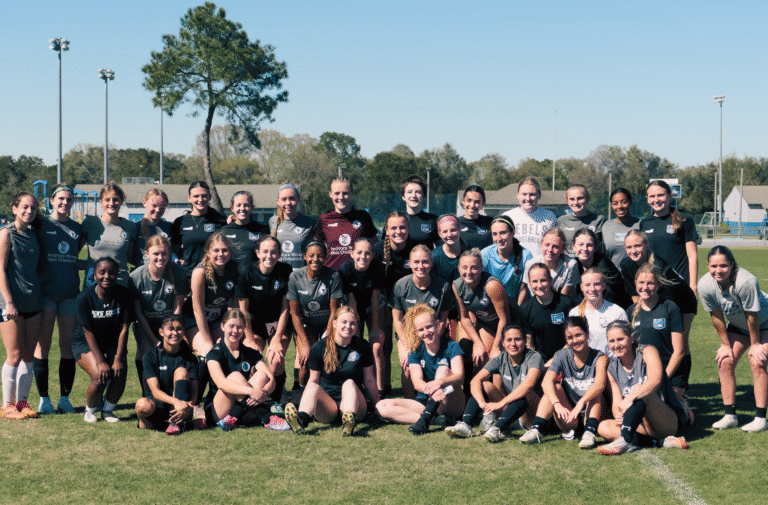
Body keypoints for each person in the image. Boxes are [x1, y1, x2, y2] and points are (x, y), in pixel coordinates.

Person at [698, 246, 768, 432]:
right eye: (714, 266)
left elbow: (752, 315)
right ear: (708, 266)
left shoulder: (746, 281)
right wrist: (724, 345)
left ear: (732, 265)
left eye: (723, 265)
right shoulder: (705, 284)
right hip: (738, 326)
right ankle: (730, 416)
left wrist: (755, 345)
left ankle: (761, 419)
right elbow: (716, 315)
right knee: (725, 361)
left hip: (764, 322)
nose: (718, 270)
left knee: (757, 361)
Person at [620, 230, 697, 391]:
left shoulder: (658, 265)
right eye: (629, 247)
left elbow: (667, 301)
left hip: (682, 301)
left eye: (638, 246)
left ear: (647, 246)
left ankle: (680, 386)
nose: (633, 250)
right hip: (654, 298)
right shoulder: (626, 264)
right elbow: (636, 295)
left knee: (679, 344)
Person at [597, 322, 689, 454]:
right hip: (639, 425)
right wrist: (620, 416)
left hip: (665, 420)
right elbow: (617, 404)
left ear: (632, 338)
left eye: (620, 339)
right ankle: (659, 442)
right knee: (603, 427)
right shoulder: (612, 369)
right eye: (611, 341)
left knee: (643, 390)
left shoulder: (647, 351)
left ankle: (625, 440)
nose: (616, 345)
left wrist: (630, 398)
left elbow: (655, 380)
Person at [284, 307, 379, 436]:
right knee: (312, 385)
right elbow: (314, 380)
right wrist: (307, 405)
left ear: (357, 325)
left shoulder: (362, 346)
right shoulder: (319, 347)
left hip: (356, 405)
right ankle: (301, 420)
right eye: (344, 322)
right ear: (334, 323)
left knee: (349, 383)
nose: (348, 326)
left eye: (352, 323)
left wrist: (377, 406)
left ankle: (349, 422)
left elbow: (369, 379)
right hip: (330, 407)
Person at [376, 304, 465, 434]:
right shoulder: (415, 350)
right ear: (416, 332)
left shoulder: (452, 346)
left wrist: (439, 383)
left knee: (443, 370)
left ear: (438, 324)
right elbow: (417, 383)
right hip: (427, 400)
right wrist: (432, 390)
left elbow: (460, 377)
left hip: (452, 400)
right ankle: (434, 420)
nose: (426, 332)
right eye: (421, 330)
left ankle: (427, 418)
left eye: (429, 327)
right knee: (381, 407)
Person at [445, 325, 543, 442]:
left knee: (524, 394)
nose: (513, 344)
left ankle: (497, 429)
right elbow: (475, 380)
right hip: (511, 412)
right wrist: (482, 404)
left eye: (517, 339)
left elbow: (529, 384)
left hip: (531, 413)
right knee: (484, 385)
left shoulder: (533, 357)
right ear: (503, 342)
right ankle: (465, 425)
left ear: (524, 341)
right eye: (509, 340)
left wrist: (500, 404)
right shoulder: (500, 359)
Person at [34, 183, 83, 415]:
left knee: (67, 347)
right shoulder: (41, 224)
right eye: (61, 199)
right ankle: (44, 399)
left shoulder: (77, 228)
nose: (65, 203)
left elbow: (77, 256)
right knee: (42, 347)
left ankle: (65, 398)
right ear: (51, 201)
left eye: (69, 199)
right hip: (45, 294)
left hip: (70, 293)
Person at [70, 257, 134, 423]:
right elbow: (88, 332)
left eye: (111, 273)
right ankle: (90, 411)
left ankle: (107, 411)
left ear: (117, 274)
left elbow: (124, 328)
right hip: (85, 341)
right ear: (95, 275)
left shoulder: (124, 295)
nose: (107, 276)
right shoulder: (84, 298)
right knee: (100, 375)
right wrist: (101, 361)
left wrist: (118, 359)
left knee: (119, 374)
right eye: (102, 272)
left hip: (112, 342)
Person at [204, 308, 289, 431]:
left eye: (239, 327)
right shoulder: (214, 353)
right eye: (231, 326)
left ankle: (232, 419)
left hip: (245, 411)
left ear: (244, 329)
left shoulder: (250, 353)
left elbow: (271, 379)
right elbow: (220, 383)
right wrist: (250, 391)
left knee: (262, 376)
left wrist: (263, 392)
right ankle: (268, 418)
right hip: (218, 411)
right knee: (235, 376)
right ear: (222, 327)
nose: (235, 331)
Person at [0, 192, 45, 420]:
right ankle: (6, 406)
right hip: (11, 304)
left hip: (34, 301)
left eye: (33, 209)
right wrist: (8, 301)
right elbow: (0, 270)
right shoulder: (6, 234)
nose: (29, 212)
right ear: (14, 208)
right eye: (25, 207)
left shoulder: (34, 235)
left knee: (28, 355)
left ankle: (22, 403)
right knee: (14, 354)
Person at [626, 263, 690, 420]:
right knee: (644, 415)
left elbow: (680, 351)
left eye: (650, 283)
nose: (645, 287)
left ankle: (685, 410)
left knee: (668, 419)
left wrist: (662, 378)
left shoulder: (670, 308)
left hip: (671, 373)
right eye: (641, 283)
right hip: (644, 375)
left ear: (659, 284)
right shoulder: (630, 312)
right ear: (635, 283)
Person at [390, 245, 454, 397]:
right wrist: (407, 346)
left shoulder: (443, 286)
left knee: (438, 365)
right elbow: (397, 320)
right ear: (410, 263)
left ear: (431, 263)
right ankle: (410, 400)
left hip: (433, 334)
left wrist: (432, 341)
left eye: (425, 262)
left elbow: (443, 320)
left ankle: (436, 400)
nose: (420, 266)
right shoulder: (401, 285)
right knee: (407, 366)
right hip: (408, 335)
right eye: (416, 262)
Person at [236, 235, 292, 405]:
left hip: (278, 324)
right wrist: (250, 339)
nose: (269, 256)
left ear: (280, 254)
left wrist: (276, 338)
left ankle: (276, 399)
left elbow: (285, 308)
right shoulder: (247, 272)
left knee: (276, 358)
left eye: (274, 252)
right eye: (265, 252)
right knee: (254, 359)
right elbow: (243, 310)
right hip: (255, 326)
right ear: (258, 253)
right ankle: (253, 397)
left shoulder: (285, 270)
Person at [130, 235, 187, 397]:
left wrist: (170, 333)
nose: (160, 257)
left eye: (164, 254)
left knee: (174, 350)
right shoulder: (136, 277)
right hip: (145, 323)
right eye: (156, 254)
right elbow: (138, 312)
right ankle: (148, 394)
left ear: (169, 254)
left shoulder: (177, 272)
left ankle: (175, 392)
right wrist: (154, 339)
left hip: (169, 324)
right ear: (146, 253)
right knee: (147, 353)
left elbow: (178, 307)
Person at [541, 316, 608, 449]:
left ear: (587, 333)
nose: (575, 341)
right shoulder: (561, 355)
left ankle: (589, 433)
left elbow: (600, 385)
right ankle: (536, 429)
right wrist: (557, 404)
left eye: (578, 335)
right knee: (553, 387)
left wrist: (581, 403)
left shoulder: (600, 357)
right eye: (570, 338)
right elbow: (545, 382)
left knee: (594, 392)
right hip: (572, 417)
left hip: (597, 415)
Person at [286, 241, 343, 390]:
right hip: (307, 325)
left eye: (320, 256)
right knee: (306, 357)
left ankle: (329, 391)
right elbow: (295, 314)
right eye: (311, 255)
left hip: (327, 324)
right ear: (304, 256)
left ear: (325, 257)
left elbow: (334, 312)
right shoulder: (295, 277)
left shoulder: (333, 276)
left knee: (328, 356)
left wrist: (327, 340)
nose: (315, 259)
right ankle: (301, 390)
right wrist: (304, 344)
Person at [453, 250, 511, 391]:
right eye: (464, 267)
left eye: (474, 267)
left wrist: (497, 346)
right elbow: (464, 318)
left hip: (503, 326)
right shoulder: (456, 285)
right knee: (475, 354)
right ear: (458, 268)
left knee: (492, 359)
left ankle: (496, 397)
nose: (469, 272)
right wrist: (478, 344)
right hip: (484, 323)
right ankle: (470, 394)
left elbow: (505, 319)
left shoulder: (491, 286)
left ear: (481, 268)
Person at [135, 315, 201, 435]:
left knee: (181, 371)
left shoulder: (190, 358)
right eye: (170, 329)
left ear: (184, 331)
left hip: (179, 409)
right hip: (157, 407)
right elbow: (155, 392)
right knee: (142, 404)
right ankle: (155, 423)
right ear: (161, 331)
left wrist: (188, 406)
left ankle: (176, 423)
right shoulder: (149, 357)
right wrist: (176, 401)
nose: (175, 333)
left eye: (179, 329)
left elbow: (195, 391)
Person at [338, 238, 387, 397]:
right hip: (353, 308)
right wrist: (355, 329)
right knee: (355, 346)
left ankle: (379, 391)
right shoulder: (345, 270)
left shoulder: (378, 268)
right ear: (352, 253)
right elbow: (351, 302)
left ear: (373, 255)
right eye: (359, 252)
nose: (363, 256)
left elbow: (375, 298)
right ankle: (356, 387)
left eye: (367, 253)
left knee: (377, 347)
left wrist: (376, 327)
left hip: (373, 307)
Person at [185, 232, 239, 360]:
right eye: (216, 250)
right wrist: (208, 340)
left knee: (228, 349)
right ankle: (198, 380)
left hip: (216, 320)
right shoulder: (200, 272)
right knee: (208, 352)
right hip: (194, 320)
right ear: (208, 252)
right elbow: (198, 310)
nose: (221, 254)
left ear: (229, 252)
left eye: (224, 250)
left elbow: (235, 305)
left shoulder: (235, 269)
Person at [640, 180, 698, 295]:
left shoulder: (684, 220)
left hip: (679, 285)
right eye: (652, 196)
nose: (656, 200)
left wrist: (693, 286)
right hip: (655, 286)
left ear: (670, 196)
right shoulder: (644, 223)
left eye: (660, 195)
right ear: (647, 199)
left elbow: (692, 255)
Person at [81, 183, 141, 289]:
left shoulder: (130, 226)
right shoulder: (90, 223)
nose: (111, 203)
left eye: (115, 199)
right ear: (101, 202)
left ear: (121, 202)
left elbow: (130, 258)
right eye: (107, 199)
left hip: (120, 283)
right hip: (93, 284)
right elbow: (74, 252)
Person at [519, 263, 578, 363]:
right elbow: (528, 339)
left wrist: (554, 362)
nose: (539, 285)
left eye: (543, 280)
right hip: (541, 361)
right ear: (529, 283)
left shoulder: (566, 304)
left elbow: (574, 337)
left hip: (567, 357)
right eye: (534, 281)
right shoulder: (525, 308)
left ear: (550, 281)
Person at [314, 177, 377, 271]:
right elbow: (316, 247)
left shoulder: (363, 217)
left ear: (351, 193)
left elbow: (374, 245)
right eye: (337, 193)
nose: (341, 197)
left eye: (345, 193)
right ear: (330, 194)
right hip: (331, 275)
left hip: (356, 275)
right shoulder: (324, 219)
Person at [170, 181, 227, 280]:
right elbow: (174, 250)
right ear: (189, 198)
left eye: (204, 196)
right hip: (187, 275)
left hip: (213, 275)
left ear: (209, 197)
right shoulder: (180, 222)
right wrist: (178, 260)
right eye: (196, 196)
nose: (200, 199)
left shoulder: (220, 221)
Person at [569, 268, 629, 357]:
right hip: (586, 366)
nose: (592, 289)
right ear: (581, 287)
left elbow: (626, 344)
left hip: (612, 366)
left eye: (597, 284)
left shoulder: (617, 312)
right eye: (587, 285)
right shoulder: (574, 313)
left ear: (604, 285)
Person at [572, 228, 630, 308]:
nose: (585, 249)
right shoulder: (573, 264)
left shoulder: (604, 266)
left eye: (589, 245)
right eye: (580, 244)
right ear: (573, 246)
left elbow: (614, 296)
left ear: (595, 247)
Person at [481, 215, 531, 305]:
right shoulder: (485, 254)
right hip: (491, 307)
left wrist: (517, 313)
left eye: (503, 233)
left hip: (516, 306)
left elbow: (524, 288)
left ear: (513, 232)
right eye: (495, 234)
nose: (499, 239)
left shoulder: (526, 256)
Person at [502, 177, 557, 257]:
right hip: (515, 266)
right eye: (524, 194)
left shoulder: (550, 216)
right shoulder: (508, 216)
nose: (528, 198)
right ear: (518, 196)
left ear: (539, 195)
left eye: (532, 194)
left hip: (540, 267)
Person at [269, 183, 317, 269]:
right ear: (278, 202)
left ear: (298, 199)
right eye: (284, 199)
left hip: (302, 276)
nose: (288, 203)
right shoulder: (273, 222)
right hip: (279, 276)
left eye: (291, 199)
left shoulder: (310, 222)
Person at [522, 228, 579, 298]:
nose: (550, 250)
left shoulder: (571, 264)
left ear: (562, 249)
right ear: (541, 245)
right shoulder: (530, 264)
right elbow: (528, 291)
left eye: (555, 247)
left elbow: (564, 298)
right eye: (547, 245)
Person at [221, 190, 269, 266]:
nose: (242, 208)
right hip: (231, 277)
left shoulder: (262, 230)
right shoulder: (224, 231)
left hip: (252, 276)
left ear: (252, 208)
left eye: (246, 205)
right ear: (232, 208)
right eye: (238, 205)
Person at [557, 184, 606, 255]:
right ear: (567, 201)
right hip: (569, 264)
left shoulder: (599, 220)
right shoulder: (561, 221)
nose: (576, 202)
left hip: (592, 264)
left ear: (587, 199)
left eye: (580, 198)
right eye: (572, 199)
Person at [601, 188, 640, 269]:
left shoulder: (640, 225)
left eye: (624, 202)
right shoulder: (606, 226)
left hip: (637, 276)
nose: (619, 206)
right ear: (611, 205)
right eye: (615, 203)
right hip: (613, 277)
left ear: (630, 202)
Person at [401, 175, 438, 248]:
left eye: (418, 192)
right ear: (403, 196)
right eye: (409, 192)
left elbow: (442, 249)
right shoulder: (396, 220)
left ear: (423, 196)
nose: (414, 195)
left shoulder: (433, 220)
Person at [137, 188, 172, 258]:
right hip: (142, 268)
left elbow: (173, 252)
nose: (158, 210)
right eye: (154, 205)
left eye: (162, 207)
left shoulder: (169, 227)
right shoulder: (135, 228)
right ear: (144, 203)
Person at [431, 215, 466, 282]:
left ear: (459, 229)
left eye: (453, 230)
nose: (449, 235)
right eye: (445, 231)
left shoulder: (468, 253)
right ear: (439, 233)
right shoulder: (433, 256)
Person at [458, 185, 493, 250]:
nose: (472, 205)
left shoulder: (490, 222)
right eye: (469, 200)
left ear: (483, 204)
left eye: (477, 202)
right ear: (463, 201)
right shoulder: (456, 223)